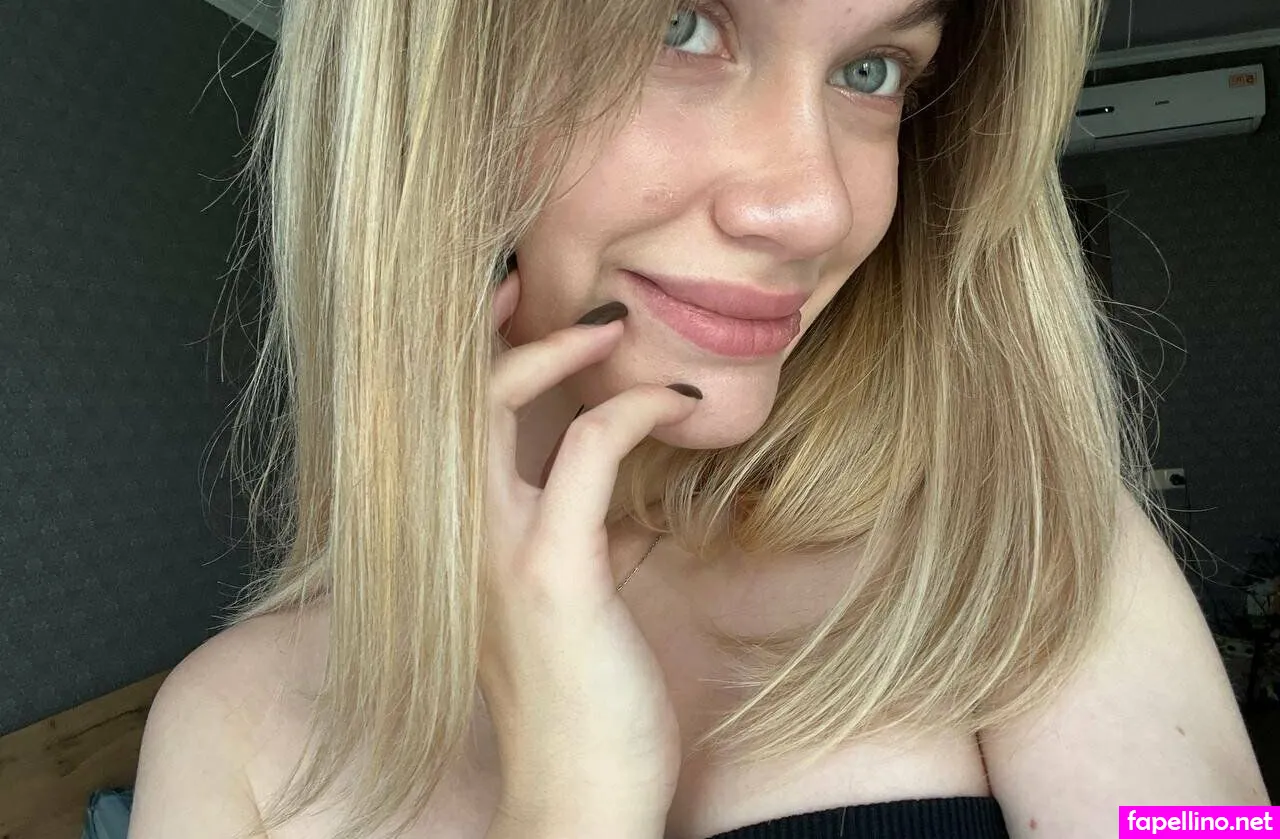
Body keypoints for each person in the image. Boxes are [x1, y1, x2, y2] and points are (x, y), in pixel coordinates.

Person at [127, 0, 1269, 836]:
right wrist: (570, 800)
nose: (814, 207)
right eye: (679, 27)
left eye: (871, 69)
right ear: (432, 95)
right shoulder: (230, 729)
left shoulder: (1031, 537)